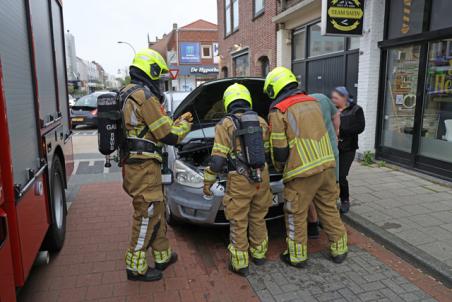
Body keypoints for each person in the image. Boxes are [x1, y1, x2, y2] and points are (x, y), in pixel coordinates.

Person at [264, 67, 348, 267]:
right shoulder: (313, 102)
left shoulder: (279, 110)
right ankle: (340, 248)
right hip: (327, 166)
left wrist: (278, 166)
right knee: (328, 209)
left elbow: (280, 150)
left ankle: (297, 256)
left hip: (302, 172)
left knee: (296, 213)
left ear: (275, 87)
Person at [121, 48, 193, 282]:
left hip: (139, 166)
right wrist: (183, 126)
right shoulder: (143, 96)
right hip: (143, 168)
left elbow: (152, 126)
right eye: (158, 77)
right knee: (147, 215)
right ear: (150, 71)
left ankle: (162, 256)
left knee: (157, 211)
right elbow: (168, 135)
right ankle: (135, 266)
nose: (160, 84)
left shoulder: (127, 93)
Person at [203, 83, 272, 277]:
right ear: (247, 99)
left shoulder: (225, 124)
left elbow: (217, 161)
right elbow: (267, 151)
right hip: (262, 175)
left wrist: (208, 181)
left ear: (228, 102)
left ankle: (240, 263)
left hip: (239, 179)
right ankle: (259, 255)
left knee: (239, 220)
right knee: (258, 217)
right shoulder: (261, 121)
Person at [307, 93, 341, 239]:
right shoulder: (323, 99)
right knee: (331, 190)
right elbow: (336, 116)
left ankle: (313, 224)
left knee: (311, 191)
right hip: (331, 154)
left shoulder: (299, 106)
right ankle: (331, 226)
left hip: (312, 155)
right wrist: (336, 133)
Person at [331, 87, 365, 214]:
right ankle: (331, 200)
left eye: (336, 97)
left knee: (341, 175)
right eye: (333, 97)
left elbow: (360, 127)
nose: (333, 100)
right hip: (333, 147)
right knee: (332, 176)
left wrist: (342, 131)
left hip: (348, 148)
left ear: (344, 98)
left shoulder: (356, 110)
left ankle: (345, 200)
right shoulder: (333, 109)